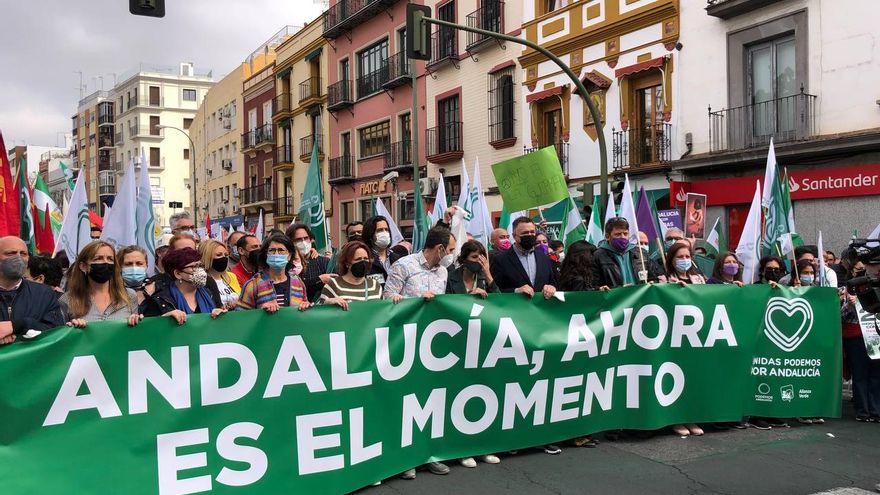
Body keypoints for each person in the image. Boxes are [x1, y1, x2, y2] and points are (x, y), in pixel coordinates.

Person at [382, 226, 455, 478]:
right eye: (451, 250)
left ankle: (428, 453)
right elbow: (387, 299)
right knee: (405, 400)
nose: (451, 255)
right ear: (440, 248)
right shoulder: (403, 265)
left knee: (430, 400)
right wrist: (416, 302)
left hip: (431, 346)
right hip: (404, 343)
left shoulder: (443, 271)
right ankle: (405, 457)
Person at [662, 241, 706, 437]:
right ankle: (675, 419)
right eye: (680, 257)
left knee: (694, 377)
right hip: (673, 337)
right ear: (671, 259)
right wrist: (672, 290)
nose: (685, 260)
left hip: (697, 336)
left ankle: (691, 416)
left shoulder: (699, 279)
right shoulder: (664, 279)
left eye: (687, 256)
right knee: (675, 378)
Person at [0, 236, 65, 345]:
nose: (18, 258)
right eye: (11, 253)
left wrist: (19, 326)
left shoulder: (44, 294)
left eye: (23, 254)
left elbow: (55, 332)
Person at [60, 241, 141, 327]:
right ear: (83, 266)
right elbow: (61, 335)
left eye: (110, 259)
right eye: (98, 258)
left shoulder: (129, 296)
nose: (105, 263)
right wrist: (71, 328)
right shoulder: (67, 300)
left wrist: (136, 321)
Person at [141, 248, 226, 323]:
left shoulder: (208, 293)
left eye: (200, 266)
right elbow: (150, 329)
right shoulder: (162, 299)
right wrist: (164, 320)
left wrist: (220, 316)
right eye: (193, 267)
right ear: (178, 273)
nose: (199, 270)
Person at [842, 260, 880, 422]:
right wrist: (851, 306)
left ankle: (876, 411)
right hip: (857, 336)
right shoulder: (854, 286)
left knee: (876, 375)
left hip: (877, 336)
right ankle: (863, 411)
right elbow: (842, 315)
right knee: (860, 374)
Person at [238, 234, 310, 312]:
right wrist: (260, 312)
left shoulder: (297, 282)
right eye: (272, 250)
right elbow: (240, 316)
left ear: (289, 255)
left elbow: (304, 305)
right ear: (266, 255)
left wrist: (305, 305)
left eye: (281, 250)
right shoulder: (253, 285)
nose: (276, 254)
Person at [490, 217, 558, 299]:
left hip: (541, 308)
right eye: (525, 233)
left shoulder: (543, 257)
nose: (529, 235)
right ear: (514, 236)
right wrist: (516, 291)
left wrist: (551, 287)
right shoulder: (500, 260)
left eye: (532, 232)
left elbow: (552, 281)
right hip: (514, 308)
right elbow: (493, 290)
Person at [593, 217, 662, 289]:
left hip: (641, 299)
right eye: (618, 234)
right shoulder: (598, 256)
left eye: (625, 234)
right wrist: (616, 289)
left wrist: (652, 282)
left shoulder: (641, 253)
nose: (623, 237)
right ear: (607, 236)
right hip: (617, 299)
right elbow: (594, 286)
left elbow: (654, 278)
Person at [320, 240, 383, 308]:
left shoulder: (375, 285)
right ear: (347, 263)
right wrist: (328, 302)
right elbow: (321, 313)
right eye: (358, 259)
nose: (363, 262)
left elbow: (382, 310)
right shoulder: (333, 285)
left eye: (366, 258)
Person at [286, 223, 332, 300]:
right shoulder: (286, 265)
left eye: (306, 238)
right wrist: (319, 280)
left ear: (311, 240)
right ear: (290, 242)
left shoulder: (324, 262)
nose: (303, 242)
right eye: (298, 239)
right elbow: (290, 289)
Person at [199, 240, 241, 310]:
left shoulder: (231, 276)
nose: (224, 258)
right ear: (206, 257)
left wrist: (237, 303)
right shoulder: (202, 281)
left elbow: (242, 298)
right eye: (219, 255)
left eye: (226, 255)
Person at [362, 216, 401, 287]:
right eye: (379, 230)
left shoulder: (397, 259)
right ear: (370, 235)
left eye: (386, 229)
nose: (384, 233)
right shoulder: (364, 259)